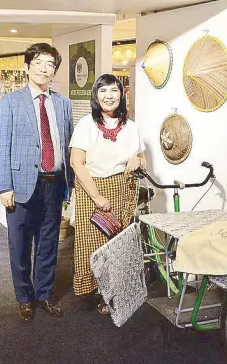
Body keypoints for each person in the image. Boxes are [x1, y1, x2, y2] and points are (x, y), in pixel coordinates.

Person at [0, 43, 74, 323]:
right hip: (21, 184)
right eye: (39, 62)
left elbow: (67, 147)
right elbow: (1, 146)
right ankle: (24, 298)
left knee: (49, 242)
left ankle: (44, 294)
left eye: (50, 64)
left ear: (54, 71)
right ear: (27, 67)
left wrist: (69, 184)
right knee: (19, 244)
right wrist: (4, 186)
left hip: (54, 183)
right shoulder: (11, 102)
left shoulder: (63, 104)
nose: (44, 68)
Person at [70, 74, 146, 314]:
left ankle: (109, 293)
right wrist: (97, 197)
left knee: (116, 244)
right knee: (92, 244)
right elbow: (76, 163)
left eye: (113, 90)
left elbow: (142, 159)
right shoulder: (86, 124)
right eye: (103, 91)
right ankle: (93, 288)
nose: (109, 96)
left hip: (122, 188)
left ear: (121, 94)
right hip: (90, 188)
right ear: (96, 96)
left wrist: (137, 158)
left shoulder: (131, 126)